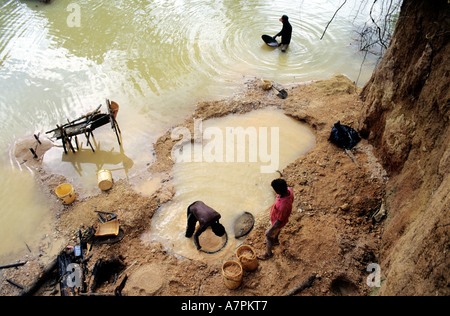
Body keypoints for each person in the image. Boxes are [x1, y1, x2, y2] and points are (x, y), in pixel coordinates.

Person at [258, 178, 294, 260]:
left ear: (278, 191)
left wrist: (270, 230)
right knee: (276, 232)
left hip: (278, 222)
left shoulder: (283, 205)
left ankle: (268, 254)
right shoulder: (289, 190)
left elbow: (279, 221)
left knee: (268, 236)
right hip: (279, 219)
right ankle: (276, 240)